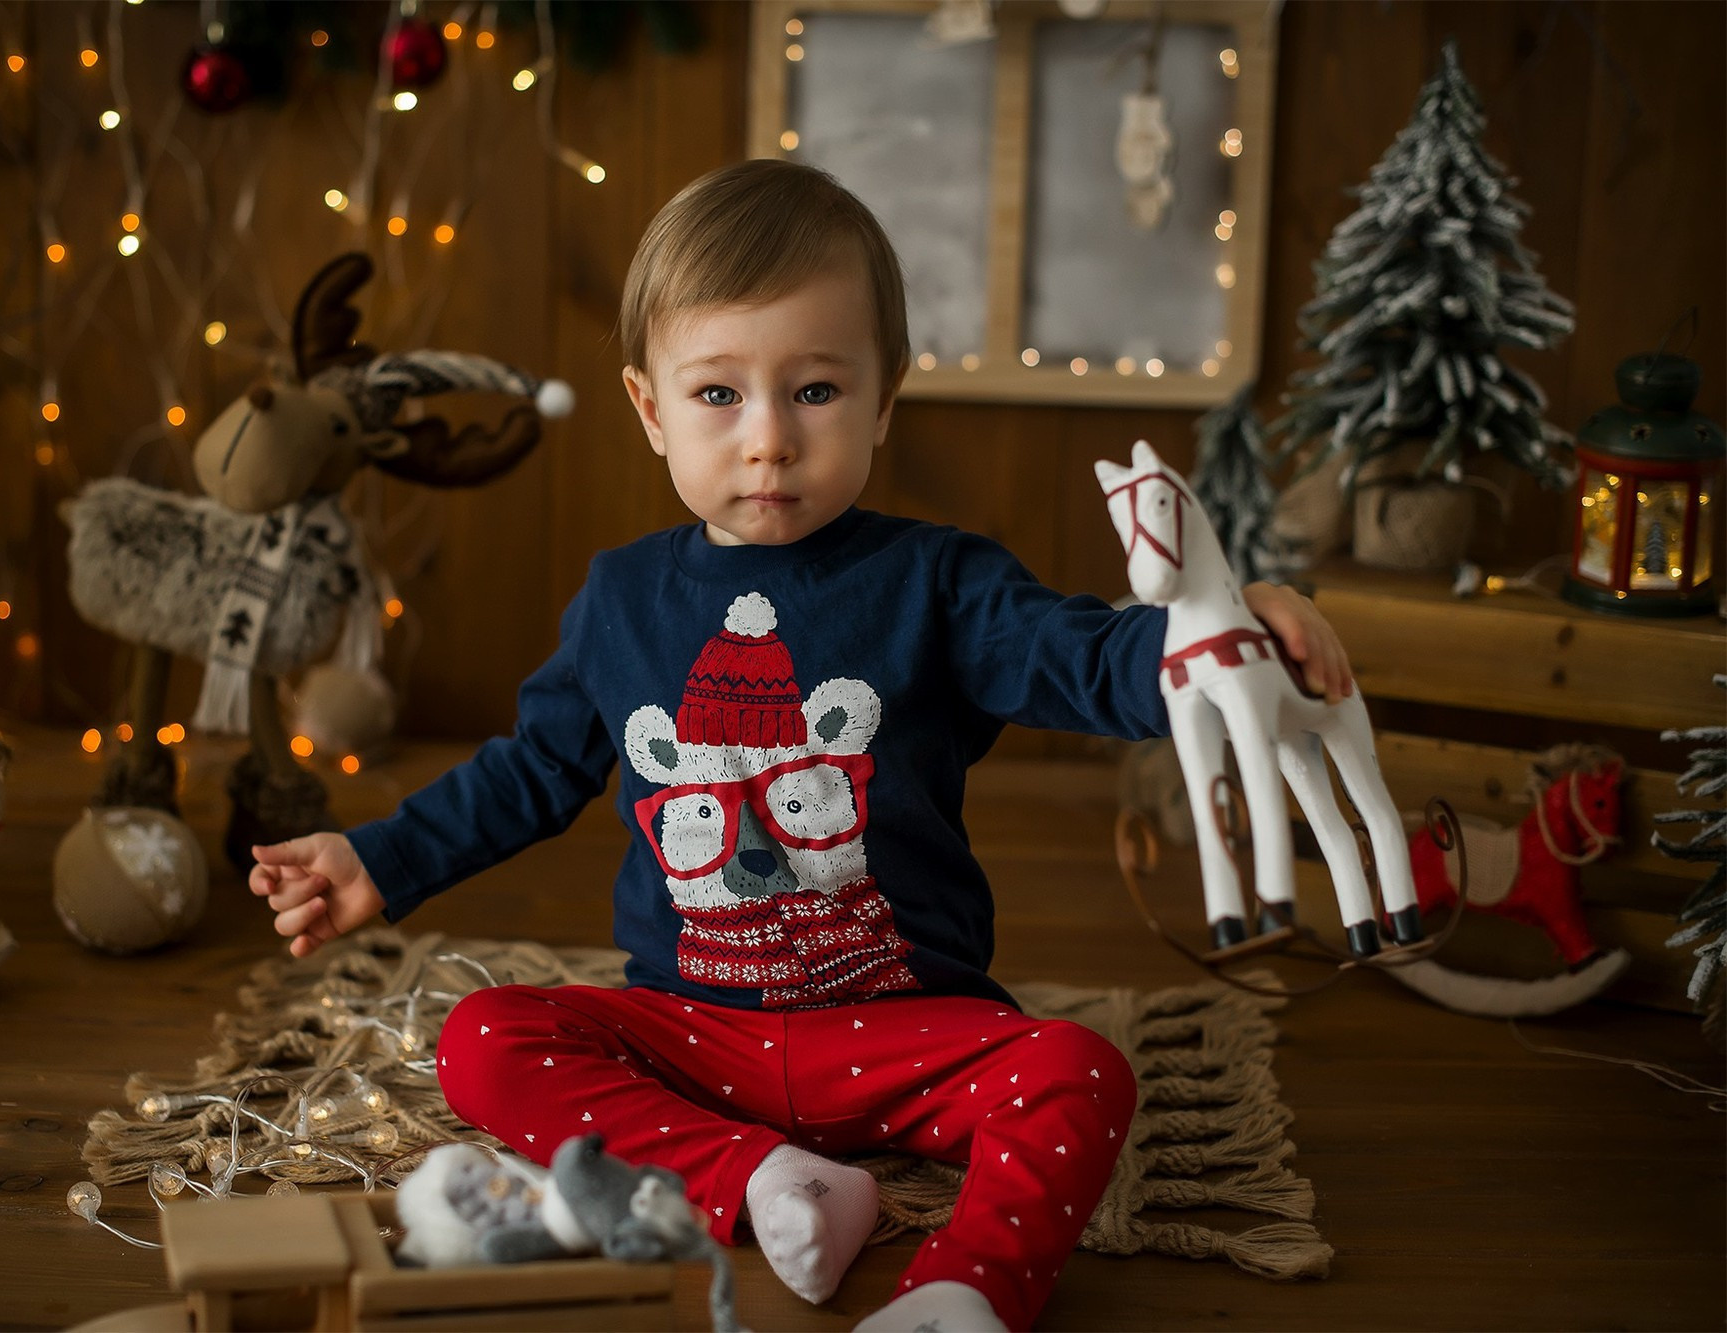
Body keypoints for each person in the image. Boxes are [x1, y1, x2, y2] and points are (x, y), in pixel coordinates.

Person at [250, 159, 1354, 1332]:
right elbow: (532, 769)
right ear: (648, 407)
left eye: (816, 391)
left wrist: (1207, 637)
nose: (767, 439)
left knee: (1081, 1070)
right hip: (691, 1032)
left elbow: (1077, 655)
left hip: (906, 1032)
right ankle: (768, 1181)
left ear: (883, 400)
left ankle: (965, 1288)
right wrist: (381, 859)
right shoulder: (620, 600)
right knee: (482, 1042)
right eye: (718, 395)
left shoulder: (934, 583)